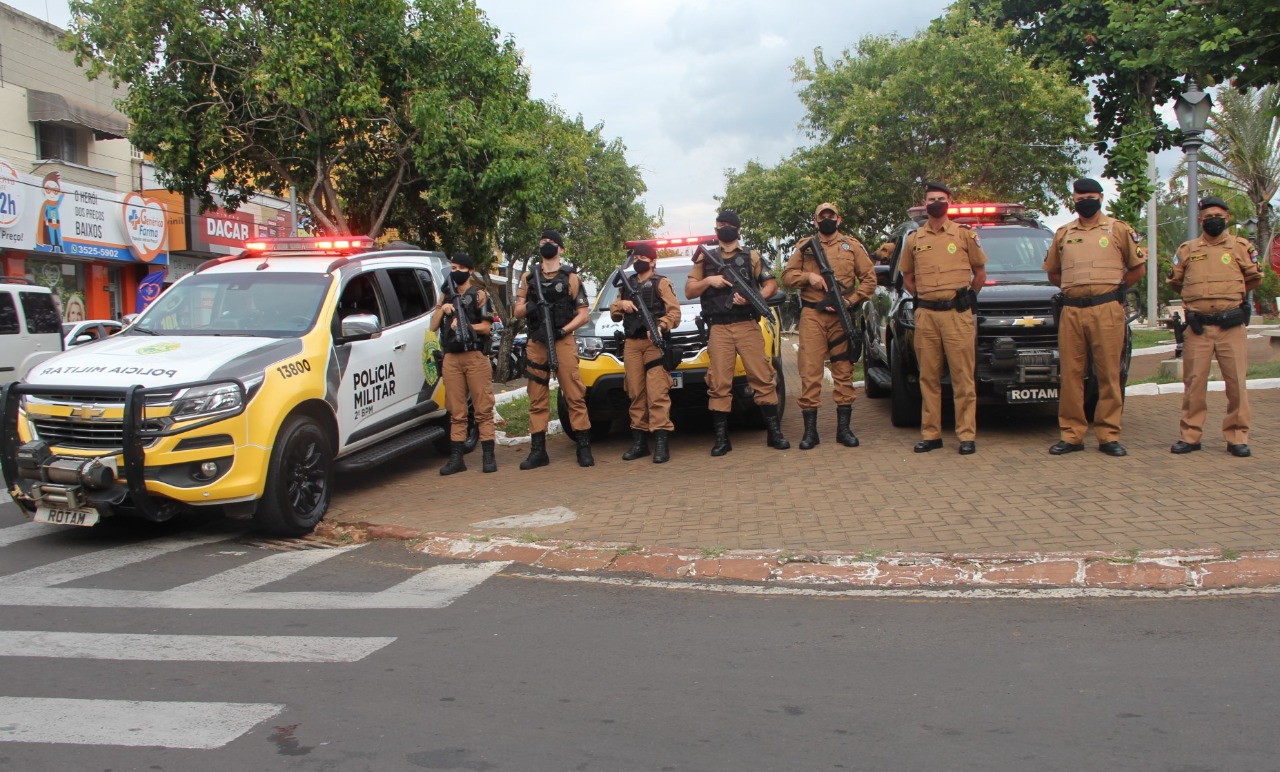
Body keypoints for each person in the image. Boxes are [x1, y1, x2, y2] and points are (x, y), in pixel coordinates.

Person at [1042, 178, 1146, 457]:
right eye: (1079, 196)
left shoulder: (1118, 229)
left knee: (1109, 374)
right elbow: (1052, 272)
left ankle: (1108, 435)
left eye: (1090, 195)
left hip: (1107, 309)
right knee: (1071, 375)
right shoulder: (1063, 233)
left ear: (1100, 197)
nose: (1085, 200)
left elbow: (1137, 269)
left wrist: (1114, 288)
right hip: (1072, 310)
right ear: (1073, 200)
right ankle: (1072, 435)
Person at [686, 209, 789, 455]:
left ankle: (773, 432)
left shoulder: (751, 256)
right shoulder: (705, 258)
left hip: (746, 324)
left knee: (762, 377)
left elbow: (771, 285)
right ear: (716, 229)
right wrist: (709, 282)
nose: (724, 228)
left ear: (738, 229)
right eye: (720, 224)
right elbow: (690, 290)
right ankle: (722, 438)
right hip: (719, 327)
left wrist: (753, 298)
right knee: (719, 382)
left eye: (728, 224)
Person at [1167, 196, 1263, 458]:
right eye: (1208, 216)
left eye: (1218, 216)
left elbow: (1254, 277)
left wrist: (1232, 298)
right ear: (1200, 219)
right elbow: (1176, 281)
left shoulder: (1241, 247)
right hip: (1198, 328)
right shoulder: (1188, 249)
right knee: (1194, 383)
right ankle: (1190, 436)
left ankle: (1237, 437)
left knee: (1236, 384)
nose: (1213, 220)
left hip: (1230, 326)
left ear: (1227, 218)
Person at [898, 182, 989, 455]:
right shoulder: (914, 239)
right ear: (924, 204)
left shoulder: (963, 235)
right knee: (928, 377)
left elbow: (980, 274)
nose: (935, 203)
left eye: (940, 198)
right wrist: (928, 297)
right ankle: (931, 434)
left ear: (949, 201)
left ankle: (966, 436)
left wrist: (964, 298)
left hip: (956, 315)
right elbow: (908, 279)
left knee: (963, 377)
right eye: (930, 199)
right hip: (926, 315)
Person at [781, 202, 876, 450]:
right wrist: (809, 277)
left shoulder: (852, 246)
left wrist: (850, 300)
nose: (826, 219)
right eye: (822, 217)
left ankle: (843, 430)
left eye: (830, 216)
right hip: (813, 314)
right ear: (815, 221)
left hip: (842, 316)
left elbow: (869, 279)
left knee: (843, 370)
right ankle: (810, 432)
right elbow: (788, 277)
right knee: (809, 371)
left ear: (839, 219)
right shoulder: (805, 246)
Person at [514, 229, 594, 468]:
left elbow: (584, 315)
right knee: (536, 398)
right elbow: (516, 311)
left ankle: (584, 447)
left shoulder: (570, 277)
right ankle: (538, 451)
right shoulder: (529, 278)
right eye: (542, 242)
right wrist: (532, 304)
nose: (546, 245)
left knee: (574, 395)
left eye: (551, 242)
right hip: (537, 342)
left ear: (561, 249)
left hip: (562, 341)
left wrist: (563, 330)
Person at [609, 243, 682, 463]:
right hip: (632, 344)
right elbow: (614, 314)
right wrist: (623, 304)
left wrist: (660, 325)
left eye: (643, 256)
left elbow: (675, 313)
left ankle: (661, 441)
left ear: (652, 260)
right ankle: (639, 441)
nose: (638, 260)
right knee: (635, 391)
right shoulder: (627, 284)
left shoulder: (662, 283)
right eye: (636, 256)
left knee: (657, 392)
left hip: (653, 344)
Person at [430, 253, 497, 475]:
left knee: (483, 408)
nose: (454, 270)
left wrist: (465, 325)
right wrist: (443, 308)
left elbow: (486, 328)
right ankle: (457, 458)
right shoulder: (446, 297)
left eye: (459, 267)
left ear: (469, 271)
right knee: (456, 410)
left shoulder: (479, 295)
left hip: (475, 355)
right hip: (451, 357)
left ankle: (488, 456)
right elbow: (432, 327)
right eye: (452, 267)